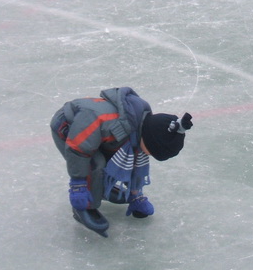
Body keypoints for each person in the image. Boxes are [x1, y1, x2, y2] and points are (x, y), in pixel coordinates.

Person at [50, 87, 193, 237]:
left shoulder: (139, 129)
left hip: (99, 136)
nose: (150, 155)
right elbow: (78, 150)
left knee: (131, 155)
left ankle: (101, 187)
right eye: (152, 151)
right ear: (150, 140)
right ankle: (85, 208)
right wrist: (78, 186)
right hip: (69, 129)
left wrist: (135, 194)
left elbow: (136, 160)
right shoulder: (104, 120)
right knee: (95, 163)